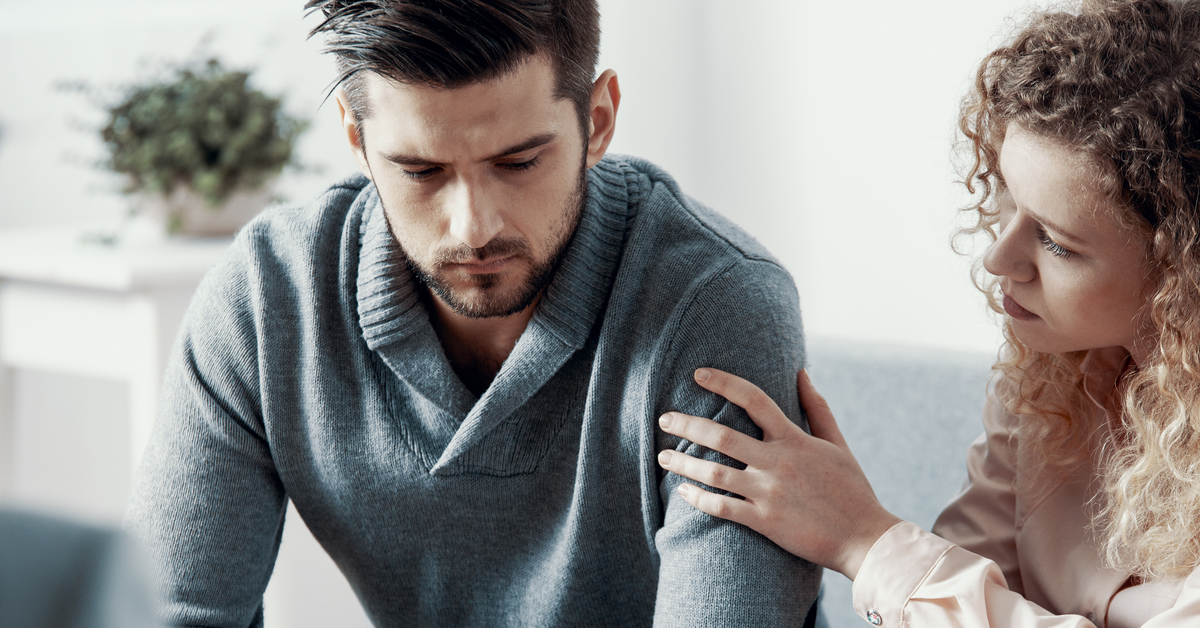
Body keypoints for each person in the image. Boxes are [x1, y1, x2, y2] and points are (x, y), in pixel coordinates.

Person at [124, 1, 821, 626]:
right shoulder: (267, 300)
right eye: (421, 171)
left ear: (598, 120)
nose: (473, 227)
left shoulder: (715, 306)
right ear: (356, 138)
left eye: (518, 162)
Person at [655, 0, 1200, 625]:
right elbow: (965, 571)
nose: (998, 257)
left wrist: (865, 539)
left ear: (1182, 272)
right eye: (1007, 199)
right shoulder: (1050, 382)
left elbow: (922, 576)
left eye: (1056, 243)